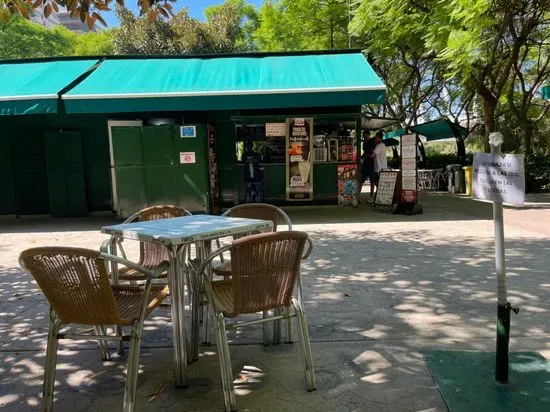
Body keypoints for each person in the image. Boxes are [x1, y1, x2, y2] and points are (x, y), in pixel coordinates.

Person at [360, 129, 377, 197]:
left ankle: (371, 196)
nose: (364, 138)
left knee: (372, 181)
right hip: (365, 163)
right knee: (361, 180)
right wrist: (362, 156)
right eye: (363, 136)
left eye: (365, 136)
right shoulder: (364, 143)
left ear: (368, 135)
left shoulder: (372, 141)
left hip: (372, 163)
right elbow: (365, 152)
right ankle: (358, 196)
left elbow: (372, 152)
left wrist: (363, 156)